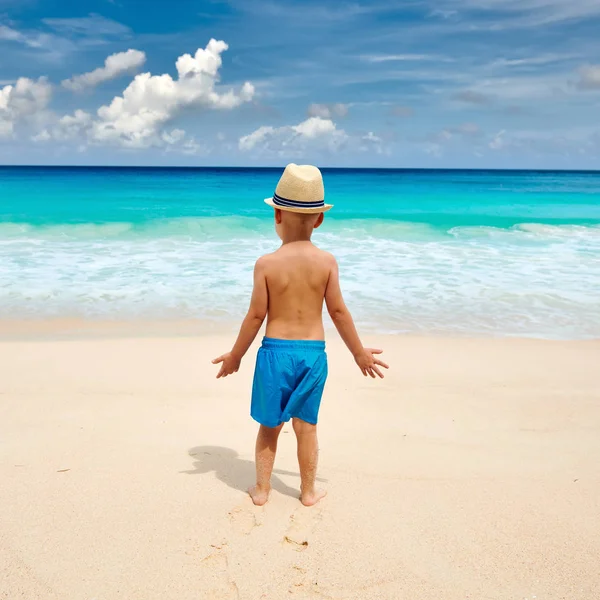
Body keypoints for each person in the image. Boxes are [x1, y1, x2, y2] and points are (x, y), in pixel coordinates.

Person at [212, 164, 388, 507]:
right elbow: (338, 312)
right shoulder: (326, 262)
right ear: (319, 220)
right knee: (306, 426)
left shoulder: (266, 264)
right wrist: (358, 353)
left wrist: (236, 355)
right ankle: (307, 492)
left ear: (276, 214)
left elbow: (255, 316)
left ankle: (262, 490)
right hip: (312, 355)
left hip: (273, 355)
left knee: (269, 425)